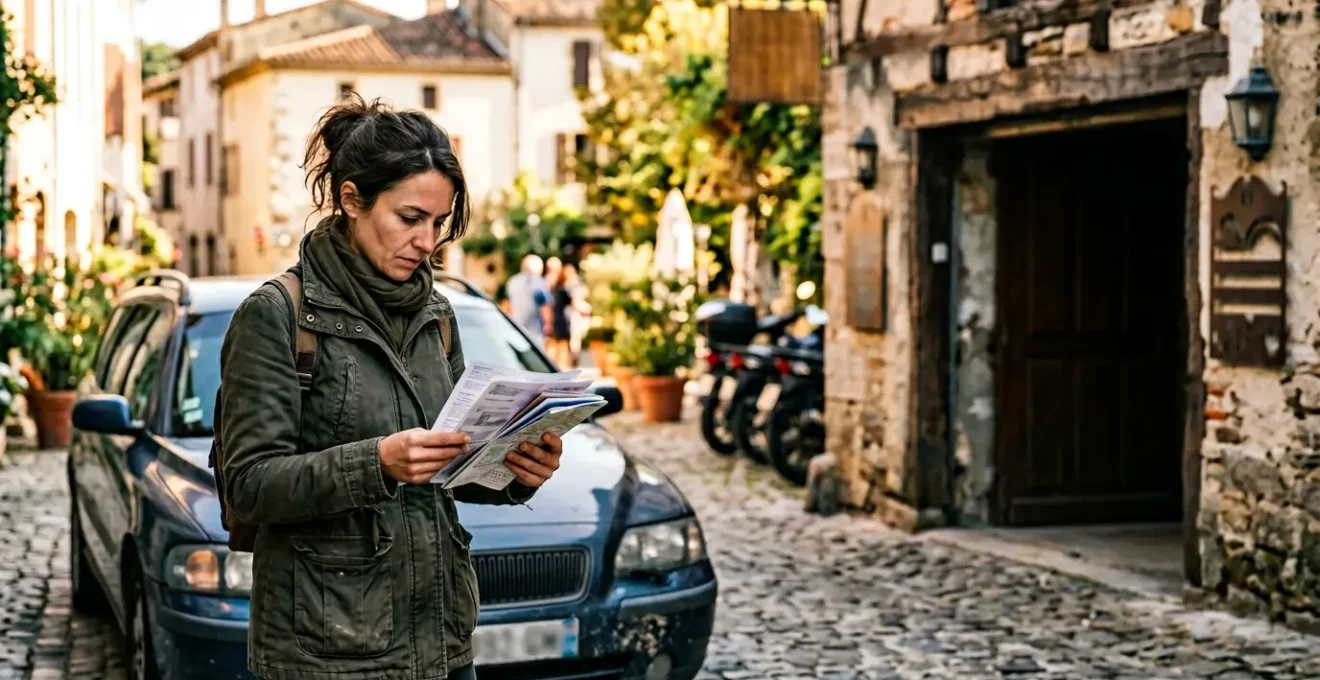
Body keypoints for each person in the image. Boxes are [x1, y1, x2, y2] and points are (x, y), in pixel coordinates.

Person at [216, 95, 564, 680]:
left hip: (444, 643)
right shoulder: (276, 315)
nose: (428, 242)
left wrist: (511, 470)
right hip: (328, 654)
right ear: (351, 199)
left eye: (438, 222)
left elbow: (447, 464)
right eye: (410, 218)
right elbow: (249, 486)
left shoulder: (438, 313)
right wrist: (377, 463)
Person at [505, 253, 550, 347]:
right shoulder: (538, 282)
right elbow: (544, 306)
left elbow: (508, 304)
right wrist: (548, 324)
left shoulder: (513, 281)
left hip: (516, 326)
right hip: (535, 329)